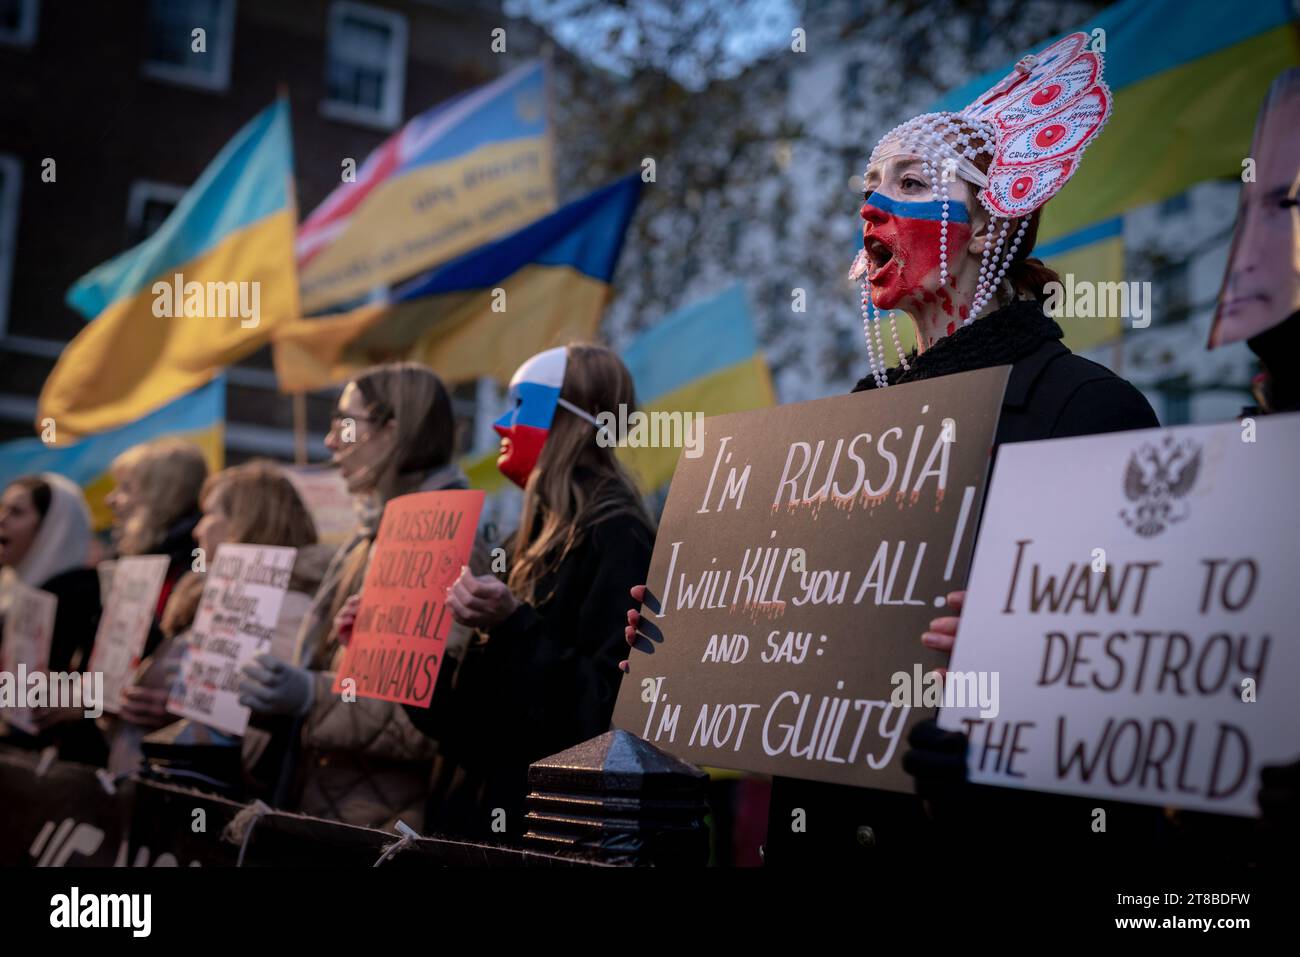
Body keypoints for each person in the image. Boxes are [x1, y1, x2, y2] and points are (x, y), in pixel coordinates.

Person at [626, 32, 1161, 865]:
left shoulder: (1085, 409)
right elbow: (800, 633)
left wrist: (1008, 658)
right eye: (871, 187)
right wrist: (693, 634)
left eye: (913, 184)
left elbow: (1131, 686)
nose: (874, 207)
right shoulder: (860, 417)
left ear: (988, 227)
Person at [398, 344, 655, 842]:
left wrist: (513, 624)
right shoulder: (526, 541)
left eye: (520, 405)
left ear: (573, 423)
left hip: (542, 840)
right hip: (475, 831)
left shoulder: (619, 537)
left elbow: (607, 716)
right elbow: (473, 732)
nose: (500, 424)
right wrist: (407, 653)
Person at [237, 362, 481, 832]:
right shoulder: (373, 535)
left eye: (346, 423)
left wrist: (309, 693)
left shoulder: (446, 542)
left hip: (374, 829)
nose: (330, 441)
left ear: (393, 430)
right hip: (335, 810)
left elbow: (428, 725)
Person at [108, 460, 334, 781]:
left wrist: (183, 714)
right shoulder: (204, 595)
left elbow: (268, 716)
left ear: (246, 522)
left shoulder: (289, 607)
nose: (199, 529)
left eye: (211, 514)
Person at [101, 438, 207, 736]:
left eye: (126, 488)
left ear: (163, 496)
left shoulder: (192, 569)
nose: (111, 500)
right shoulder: (135, 560)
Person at [0, 473, 105, 764]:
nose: (2, 519)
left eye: (17, 512)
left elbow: (110, 686)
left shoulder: (83, 592)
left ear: (52, 528)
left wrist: (82, 699)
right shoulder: (13, 588)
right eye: (3, 508)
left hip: (62, 763)